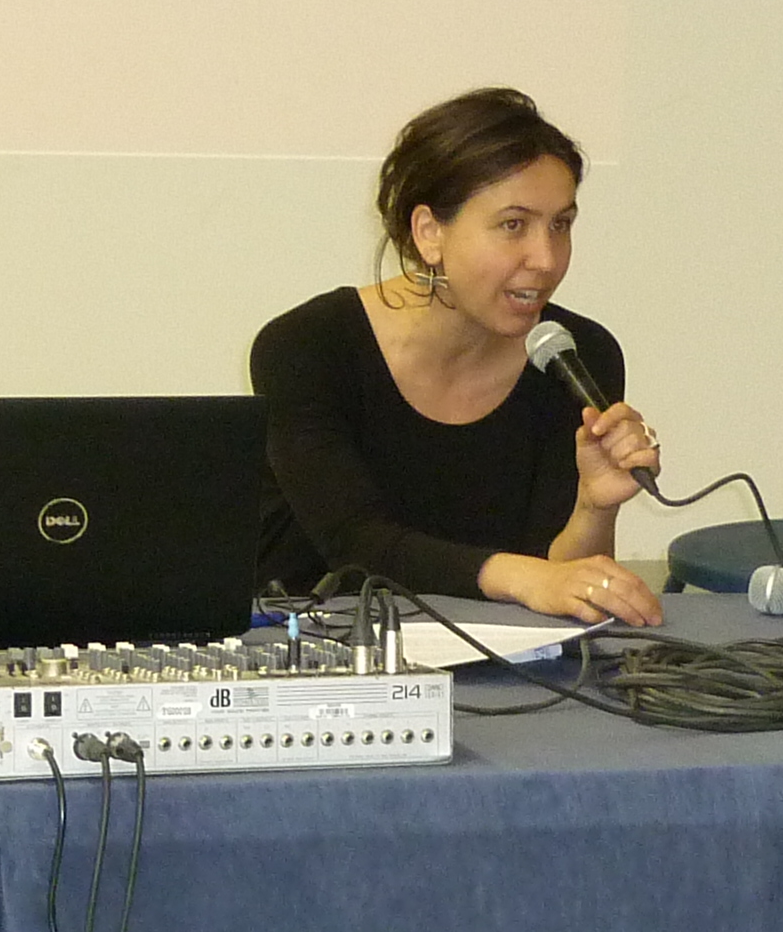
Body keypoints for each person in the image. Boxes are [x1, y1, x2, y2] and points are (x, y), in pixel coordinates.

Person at [251, 87, 666, 629]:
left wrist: (595, 505)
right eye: (513, 225)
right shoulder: (308, 348)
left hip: (506, 657)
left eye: (560, 225)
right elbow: (358, 548)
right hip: (318, 648)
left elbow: (560, 585)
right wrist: (520, 577)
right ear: (429, 233)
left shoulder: (577, 354)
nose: (545, 259)